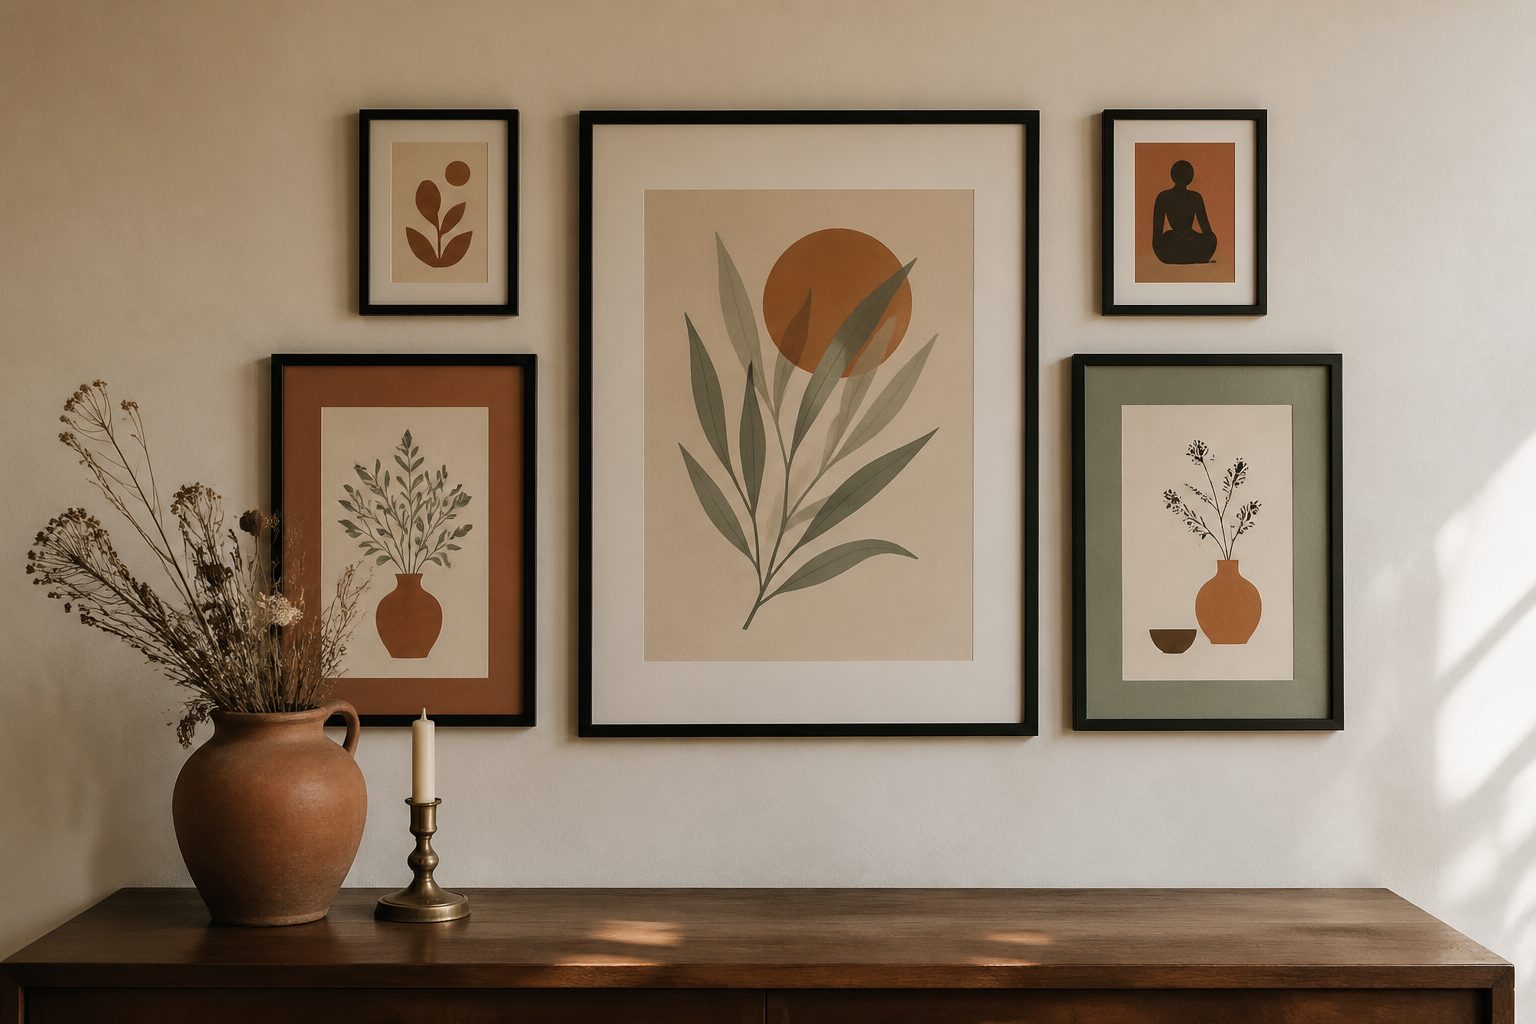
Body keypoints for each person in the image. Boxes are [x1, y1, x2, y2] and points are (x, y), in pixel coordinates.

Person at [1151, 160, 1217, 265]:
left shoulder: (1195, 197)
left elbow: (1207, 232)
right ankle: (1191, 257)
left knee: (1211, 238)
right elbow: (1156, 236)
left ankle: (1185, 256)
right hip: (1176, 241)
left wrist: (1195, 239)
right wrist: (1162, 251)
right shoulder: (1164, 197)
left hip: (1187, 242)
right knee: (1170, 238)